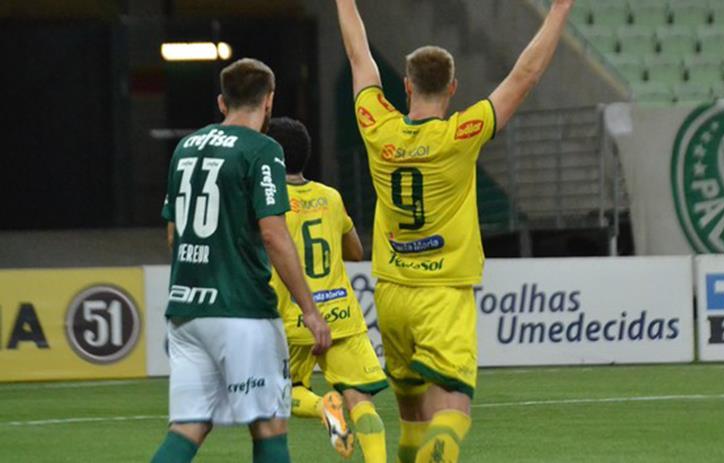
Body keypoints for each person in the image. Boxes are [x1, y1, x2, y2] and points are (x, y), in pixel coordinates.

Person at [335, 0, 576, 461]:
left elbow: (358, 56)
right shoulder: (461, 135)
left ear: (405, 86)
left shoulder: (377, 128)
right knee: (452, 414)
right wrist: (560, 9)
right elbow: (524, 77)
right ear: (453, 88)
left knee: (411, 421)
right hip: (441, 294)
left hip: (390, 294)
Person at [151, 58, 331, 463]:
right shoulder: (264, 150)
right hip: (242, 311)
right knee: (269, 425)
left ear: (221, 101)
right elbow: (273, 233)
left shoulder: (185, 148)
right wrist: (310, 310)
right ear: (269, 101)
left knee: (188, 427)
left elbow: (173, 231)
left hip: (186, 312)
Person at [267, 117, 389, 463]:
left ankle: (323, 406)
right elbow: (355, 252)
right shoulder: (330, 197)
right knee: (361, 400)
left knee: (281, 394)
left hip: (291, 316)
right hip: (340, 314)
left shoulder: (266, 203)